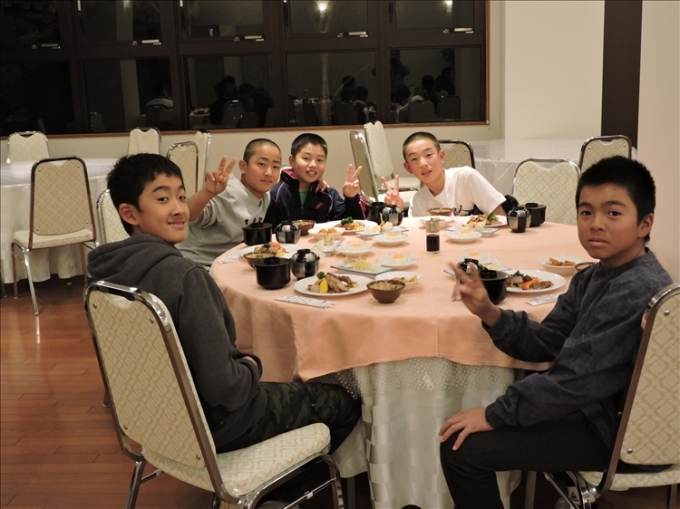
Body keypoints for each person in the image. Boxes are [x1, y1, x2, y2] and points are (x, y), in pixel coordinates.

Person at [87, 153, 361, 461]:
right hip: (219, 425)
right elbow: (226, 388)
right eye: (162, 199)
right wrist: (254, 364)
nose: (179, 209)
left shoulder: (105, 276)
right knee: (344, 400)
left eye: (181, 196)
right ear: (129, 213)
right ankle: (292, 480)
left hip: (160, 421)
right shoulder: (186, 279)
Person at [439, 156, 672, 509]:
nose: (596, 224)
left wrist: (494, 414)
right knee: (510, 398)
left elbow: (574, 381)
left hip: (618, 432)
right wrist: (489, 312)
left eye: (613, 213)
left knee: (461, 449)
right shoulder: (594, 276)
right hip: (595, 408)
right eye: (586, 212)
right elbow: (546, 342)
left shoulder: (635, 287)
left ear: (644, 224)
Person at [177, 138, 281, 267]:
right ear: (243, 166)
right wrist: (208, 192)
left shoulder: (265, 198)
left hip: (227, 262)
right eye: (261, 164)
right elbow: (188, 216)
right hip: (197, 263)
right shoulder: (228, 192)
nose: (269, 173)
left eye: (275, 167)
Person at [383, 132, 506, 217]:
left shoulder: (466, 177)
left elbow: (500, 217)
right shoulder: (417, 202)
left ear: (441, 156)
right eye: (414, 159)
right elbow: (416, 237)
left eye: (428, 155)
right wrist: (397, 211)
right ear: (408, 167)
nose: (423, 164)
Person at [264, 133, 367, 226]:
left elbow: (352, 224)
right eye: (306, 158)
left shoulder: (327, 194)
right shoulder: (277, 194)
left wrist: (351, 198)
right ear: (292, 160)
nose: (313, 165)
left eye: (320, 160)